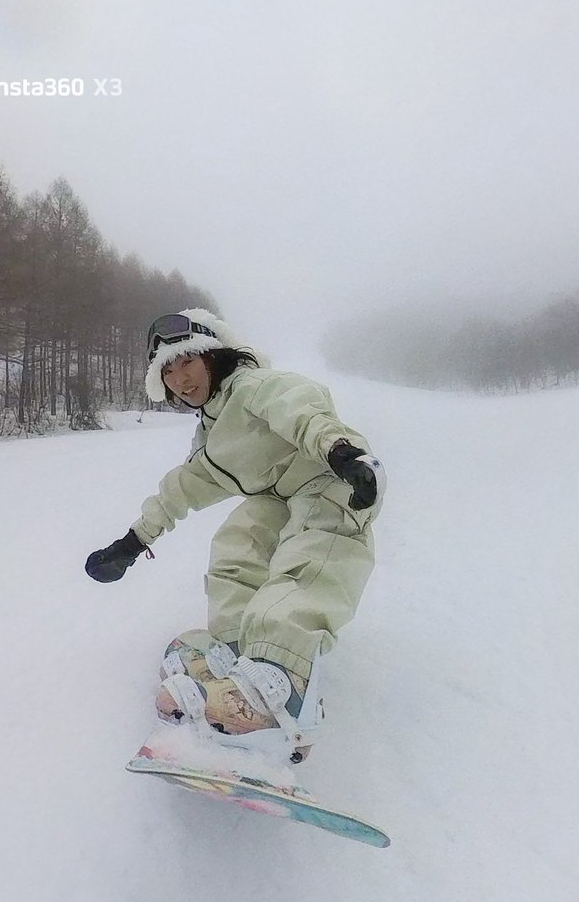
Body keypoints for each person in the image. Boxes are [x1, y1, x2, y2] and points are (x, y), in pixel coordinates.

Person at [85, 308, 386, 764]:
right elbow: (181, 487)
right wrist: (132, 543)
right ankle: (237, 659)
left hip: (333, 479)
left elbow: (299, 408)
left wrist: (341, 452)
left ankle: (281, 679)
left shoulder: (253, 387)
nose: (181, 379)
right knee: (236, 546)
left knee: (308, 562)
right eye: (168, 371)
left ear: (213, 356)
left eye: (187, 362)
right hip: (279, 495)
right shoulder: (212, 434)